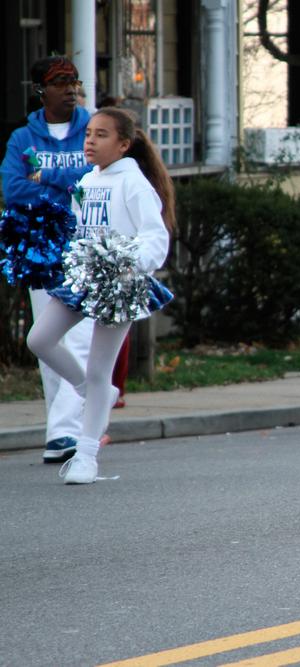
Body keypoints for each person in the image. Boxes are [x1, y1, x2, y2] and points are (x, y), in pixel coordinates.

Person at [25, 108, 174, 484]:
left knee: (98, 367)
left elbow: (156, 238)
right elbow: (81, 230)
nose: (90, 140)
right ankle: (95, 393)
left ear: (123, 144)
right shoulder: (89, 181)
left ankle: (86, 456)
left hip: (119, 284)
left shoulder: (134, 183)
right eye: (89, 133)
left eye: (101, 135)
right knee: (39, 339)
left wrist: (128, 263)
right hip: (84, 277)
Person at [1, 56, 94, 463]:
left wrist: (50, 181)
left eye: (74, 81)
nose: (71, 88)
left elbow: (94, 181)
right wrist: (64, 193)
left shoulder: (93, 128)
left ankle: (63, 431)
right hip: (42, 248)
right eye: (60, 82)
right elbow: (14, 189)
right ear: (41, 90)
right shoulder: (24, 139)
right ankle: (66, 428)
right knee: (48, 340)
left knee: (81, 339)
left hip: (87, 244)